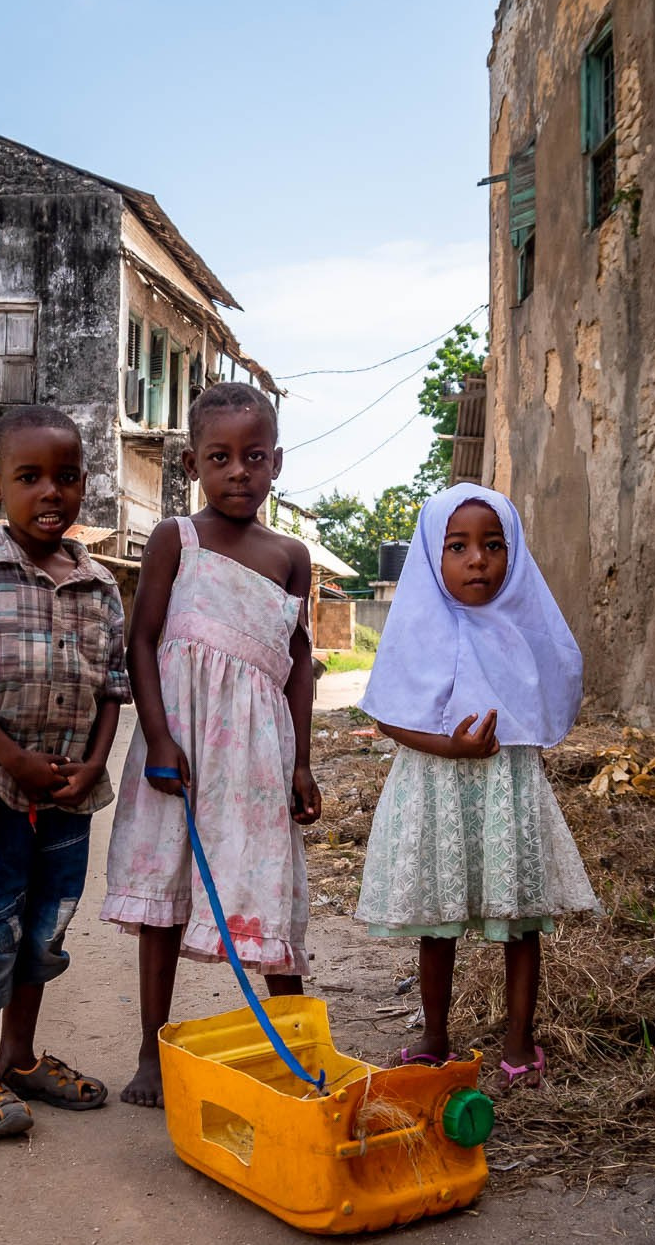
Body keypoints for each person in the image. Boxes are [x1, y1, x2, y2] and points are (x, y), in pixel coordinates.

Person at [101, 382, 322, 1108]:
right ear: (193, 461)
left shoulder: (291, 556)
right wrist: (158, 734)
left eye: (254, 457)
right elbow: (142, 637)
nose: (238, 472)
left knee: (265, 890)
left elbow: (295, 667)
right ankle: (150, 1050)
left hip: (256, 757)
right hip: (182, 751)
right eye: (221, 457)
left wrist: (300, 762)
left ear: (277, 463)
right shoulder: (176, 539)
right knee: (167, 890)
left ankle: (298, 1052)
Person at [0, 405, 129, 1140]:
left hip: (68, 794)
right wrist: (13, 758)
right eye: (30, 477)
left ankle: (20, 1054)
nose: (52, 492)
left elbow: (113, 686)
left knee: (44, 928)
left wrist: (95, 764)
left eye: (67, 477)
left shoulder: (100, 585)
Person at [353, 483, 597, 1094]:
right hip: (435, 786)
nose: (477, 560)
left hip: (504, 791)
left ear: (512, 553)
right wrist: (451, 746)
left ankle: (519, 1040)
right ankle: (435, 1036)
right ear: (432, 557)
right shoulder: (416, 624)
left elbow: (554, 683)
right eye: (457, 546)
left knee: (520, 922)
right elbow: (388, 716)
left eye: (492, 545)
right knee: (438, 923)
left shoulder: (522, 628)